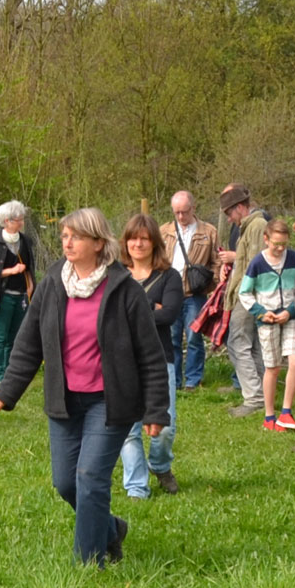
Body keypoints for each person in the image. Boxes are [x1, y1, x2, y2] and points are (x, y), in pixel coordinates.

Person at [0, 208, 171, 567]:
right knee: (66, 484)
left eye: (77, 237)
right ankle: (111, 529)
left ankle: (88, 564)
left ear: (99, 243)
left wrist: (156, 410)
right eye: (65, 236)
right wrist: (5, 392)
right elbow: (29, 343)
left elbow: (150, 355)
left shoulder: (125, 290)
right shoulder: (54, 282)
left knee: (90, 479)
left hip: (109, 403)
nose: (67, 243)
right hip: (65, 401)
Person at [115, 213, 185, 497]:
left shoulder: (170, 276)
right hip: (121, 361)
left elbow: (169, 314)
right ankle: (136, 487)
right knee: (128, 428)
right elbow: (108, 316)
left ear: (154, 242)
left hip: (159, 358)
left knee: (165, 427)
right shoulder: (115, 275)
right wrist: (150, 307)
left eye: (144, 238)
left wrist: (130, 313)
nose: (138, 244)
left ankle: (160, 465)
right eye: (133, 238)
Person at [239, 218, 295, 432]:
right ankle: (269, 416)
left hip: (291, 316)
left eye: (284, 244)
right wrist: (260, 312)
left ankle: (286, 412)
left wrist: (290, 311)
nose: (280, 248)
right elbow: (244, 293)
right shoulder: (257, 263)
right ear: (266, 239)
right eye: (276, 244)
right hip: (267, 319)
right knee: (273, 367)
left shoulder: (294, 259)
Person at [217, 185, 272, 417]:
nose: (229, 218)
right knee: (253, 346)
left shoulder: (257, 226)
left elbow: (257, 265)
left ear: (240, 207)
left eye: (229, 213)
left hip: (249, 295)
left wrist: (247, 296)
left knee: (237, 343)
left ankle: (254, 397)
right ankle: (260, 395)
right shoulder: (249, 226)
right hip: (247, 294)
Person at [0, 201, 43, 387]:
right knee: (0, 337)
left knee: (15, 336)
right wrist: (12, 271)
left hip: (21, 296)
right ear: (7, 221)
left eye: (22, 219)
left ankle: (9, 373)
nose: (22, 223)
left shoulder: (25, 241)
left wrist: (30, 288)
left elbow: (29, 268)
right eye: (18, 219)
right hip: (3, 297)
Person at [165, 192, 219, 390]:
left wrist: (213, 284)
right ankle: (174, 380)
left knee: (194, 337)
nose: (181, 217)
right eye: (177, 212)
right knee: (172, 338)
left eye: (185, 212)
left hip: (195, 293)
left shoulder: (208, 232)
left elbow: (217, 260)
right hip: (170, 293)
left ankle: (193, 380)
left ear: (193, 209)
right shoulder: (164, 232)